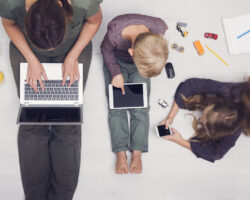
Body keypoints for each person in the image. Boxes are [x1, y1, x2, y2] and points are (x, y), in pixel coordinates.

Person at [0, 0, 102, 199]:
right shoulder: (10, 2)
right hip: (28, 51)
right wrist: (31, 59)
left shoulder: (84, 2)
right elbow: (9, 23)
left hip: (72, 48)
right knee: (33, 122)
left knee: (68, 123)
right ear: (27, 9)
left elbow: (94, 21)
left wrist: (72, 56)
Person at [101, 14, 169, 174]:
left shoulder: (160, 26)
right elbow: (106, 51)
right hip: (116, 62)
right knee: (116, 107)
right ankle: (120, 152)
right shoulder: (115, 32)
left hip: (144, 60)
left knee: (141, 107)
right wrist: (116, 73)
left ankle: (137, 152)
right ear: (131, 52)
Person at [160, 77, 250, 163]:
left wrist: (180, 141)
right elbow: (191, 84)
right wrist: (170, 116)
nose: (199, 120)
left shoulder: (234, 132)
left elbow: (216, 154)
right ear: (215, 102)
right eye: (204, 114)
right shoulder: (229, 91)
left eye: (203, 121)